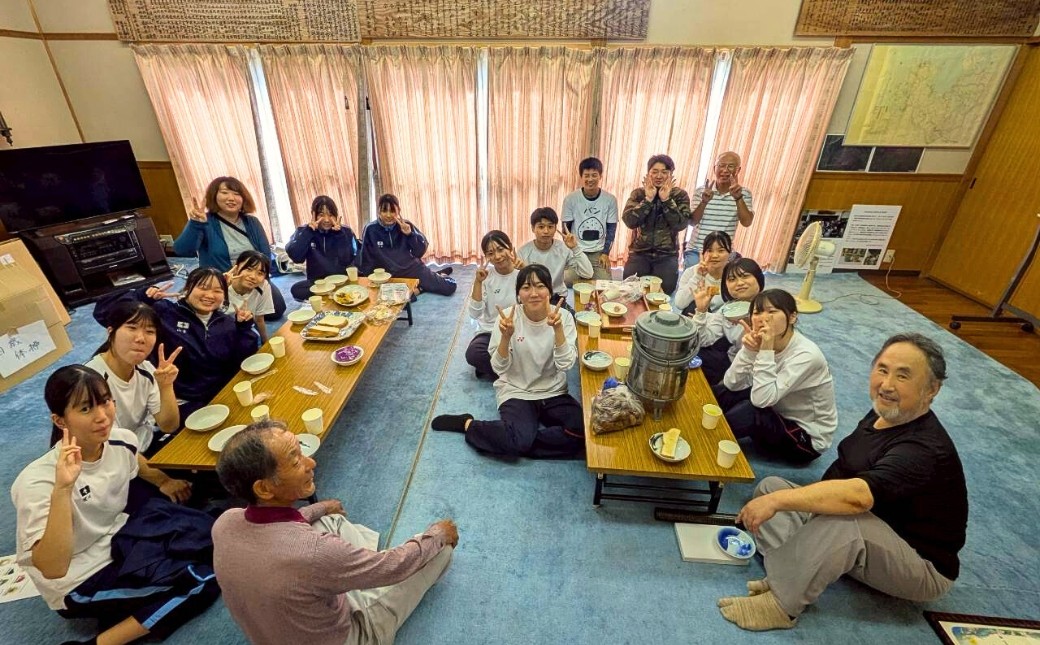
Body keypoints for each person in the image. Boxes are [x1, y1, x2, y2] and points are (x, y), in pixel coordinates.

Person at [717, 333, 967, 632]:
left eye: (903, 376)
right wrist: (783, 501)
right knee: (772, 486)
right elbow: (843, 473)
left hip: (919, 564)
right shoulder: (884, 414)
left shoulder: (923, 449)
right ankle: (792, 569)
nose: (887, 385)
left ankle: (782, 605)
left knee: (842, 521)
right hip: (872, 528)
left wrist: (778, 504)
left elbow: (857, 498)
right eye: (883, 369)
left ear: (932, 389)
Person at [11, 366, 217, 645]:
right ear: (60, 421)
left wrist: (164, 481)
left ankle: (125, 607)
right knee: (201, 581)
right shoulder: (36, 482)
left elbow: (135, 462)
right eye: (85, 409)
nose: (102, 416)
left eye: (106, 401)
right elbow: (53, 568)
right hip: (78, 579)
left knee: (214, 536)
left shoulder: (122, 440)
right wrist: (63, 490)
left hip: (120, 537)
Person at [213, 420, 457, 645]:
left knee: (327, 519)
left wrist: (321, 507)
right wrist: (437, 535)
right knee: (439, 551)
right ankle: (362, 577)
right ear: (264, 488)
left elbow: (290, 524)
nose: (311, 463)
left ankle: (355, 571)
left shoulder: (225, 523)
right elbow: (393, 566)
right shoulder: (313, 552)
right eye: (296, 460)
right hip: (350, 636)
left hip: (285, 627)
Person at [432, 264, 585, 459]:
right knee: (532, 441)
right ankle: (469, 424)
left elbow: (566, 365)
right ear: (518, 293)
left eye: (540, 286)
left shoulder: (563, 317)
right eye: (526, 287)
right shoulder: (507, 318)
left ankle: (519, 439)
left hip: (552, 391)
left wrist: (558, 331)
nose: (534, 293)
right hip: (516, 390)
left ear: (549, 290)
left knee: (583, 432)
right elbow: (498, 367)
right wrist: (505, 337)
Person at [94, 268, 259, 421]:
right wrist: (140, 295)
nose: (210, 295)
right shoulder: (165, 313)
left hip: (220, 395)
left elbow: (243, 361)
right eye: (203, 287)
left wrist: (244, 329)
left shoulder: (226, 322)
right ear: (187, 289)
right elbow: (103, 312)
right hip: (182, 400)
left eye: (217, 290)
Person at [714, 289, 837, 463]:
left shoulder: (807, 355)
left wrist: (764, 350)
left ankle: (705, 440)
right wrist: (749, 351)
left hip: (805, 438)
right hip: (776, 405)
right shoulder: (760, 339)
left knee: (749, 412)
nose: (763, 318)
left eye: (772, 311)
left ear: (792, 317)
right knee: (722, 393)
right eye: (757, 312)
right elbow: (731, 384)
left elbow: (760, 401)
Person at [173, 176, 286, 320]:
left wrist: (258, 281)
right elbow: (182, 250)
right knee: (225, 319)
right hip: (221, 283)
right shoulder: (205, 221)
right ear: (214, 196)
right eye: (225, 192)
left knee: (276, 310)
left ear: (243, 198)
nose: (231, 198)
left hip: (248, 279)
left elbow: (265, 256)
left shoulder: (252, 222)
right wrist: (196, 224)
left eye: (237, 194)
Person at [85, 301, 180, 457]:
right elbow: (115, 448)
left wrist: (166, 386)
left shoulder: (146, 369)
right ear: (110, 332)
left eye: (150, 331)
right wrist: (164, 481)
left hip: (146, 444)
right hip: (116, 461)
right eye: (132, 328)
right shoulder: (91, 382)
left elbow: (169, 426)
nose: (141, 338)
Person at [357, 193, 456, 296]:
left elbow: (419, 252)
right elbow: (366, 258)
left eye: (392, 211)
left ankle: (439, 277)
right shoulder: (370, 229)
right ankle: (423, 286)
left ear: (398, 211)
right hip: (388, 275)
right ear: (378, 211)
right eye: (384, 210)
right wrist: (372, 279)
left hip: (412, 269)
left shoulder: (406, 225)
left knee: (449, 287)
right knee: (393, 300)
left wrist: (410, 234)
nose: (388, 215)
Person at [687, 257, 765, 385]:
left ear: (759, 278)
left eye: (745, 276)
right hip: (732, 360)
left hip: (756, 374)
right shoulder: (729, 308)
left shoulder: (769, 309)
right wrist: (701, 311)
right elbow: (702, 340)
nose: (739, 283)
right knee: (688, 353)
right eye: (732, 279)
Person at [621, 154, 691, 294]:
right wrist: (648, 199)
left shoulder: (679, 195)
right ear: (648, 174)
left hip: (667, 255)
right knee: (629, 289)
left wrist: (666, 200)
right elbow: (629, 221)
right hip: (639, 253)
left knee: (666, 291)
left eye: (664, 172)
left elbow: (681, 224)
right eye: (654, 171)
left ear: (671, 175)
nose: (659, 176)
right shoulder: (638, 194)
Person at [683, 151, 754, 270]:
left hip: (724, 251)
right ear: (714, 168)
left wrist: (738, 198)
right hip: (697, 250)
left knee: (721, 287)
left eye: (730, 166)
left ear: (738, 169)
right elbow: (692, 222)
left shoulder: (744, 193)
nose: (725, 170)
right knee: (691, 285)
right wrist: (704, 201)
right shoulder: (701, 191)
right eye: (721, 165)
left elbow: (746, 222)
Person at [466, 230, 521, 381]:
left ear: (510, 247)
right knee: (474, 353)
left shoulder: (522, 273)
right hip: (490, 332)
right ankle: (517, 375)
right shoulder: (486, 277)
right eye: (490, 253)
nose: (497, 256)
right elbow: (475, 314)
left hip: (518, 331)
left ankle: (497, 370)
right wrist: (478, 283)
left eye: (500, 249)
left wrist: (527, 272)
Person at [517, 207, 593, 312]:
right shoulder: (523, 252)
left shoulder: (563, 248)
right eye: (541, 227)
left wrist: (575, 248)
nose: (546, 231)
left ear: (555, 228)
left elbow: (587, 273)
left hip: (556, 298)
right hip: (533, 299)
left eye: (550, 226)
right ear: (533, 228)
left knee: (573, 323)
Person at [284, 195, 359, 301]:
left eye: (331, 215)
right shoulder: (303, 231)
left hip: (341, 281)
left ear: (336, 215)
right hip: (318, 283)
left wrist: (340, 235)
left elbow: (346, 260)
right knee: (297, 290)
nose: (327, 220)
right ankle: (329, 296)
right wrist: (308, 232)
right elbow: (297, 258)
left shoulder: (345, 231)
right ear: (313, 215)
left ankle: (328, 296)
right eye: (321, 215)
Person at [561, 156, 618, 283]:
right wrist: (571, 252)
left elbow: (611, 229)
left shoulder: (610, 200)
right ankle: (583, 274)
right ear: (581, 177)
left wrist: (605, 253)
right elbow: (566, 230)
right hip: (577, 250)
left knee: (605, 284)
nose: (590, 179)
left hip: (598, 252)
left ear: (600, 176)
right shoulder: (570, 199)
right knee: (568, 281)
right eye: (586, 175)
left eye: (594, 175)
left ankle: (587, 275)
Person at [673, 231, 733, 314]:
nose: (715, 255)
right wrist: (698, 276)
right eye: (710, 250)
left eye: (721, 250)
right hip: (694, 317)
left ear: (730, 253)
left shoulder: (733, 277)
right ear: (703, 253)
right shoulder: (691, 272)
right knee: (693, 306)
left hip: (718, 321)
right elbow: (679, 304)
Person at [225, 250, 276, 344]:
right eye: (248, 269)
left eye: (260, 273)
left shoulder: (263, 286)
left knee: (251, 342)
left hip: (243, 327)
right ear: (236, 267)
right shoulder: (221, 286)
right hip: (220, 332)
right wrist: (220, 288)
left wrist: (266, 344)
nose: (253, 276)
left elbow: (259, 318)